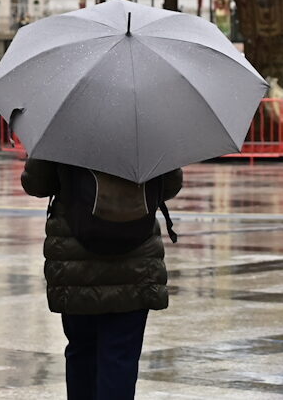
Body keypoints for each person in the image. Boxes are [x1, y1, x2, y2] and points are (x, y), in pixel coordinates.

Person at [21, 158, 183, 400]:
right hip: (135, 263)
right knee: (120, 357)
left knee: (81, 351)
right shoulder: (150, 128)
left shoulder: (64, 126)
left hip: (76, 262)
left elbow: (36, 183)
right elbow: (170, 185)